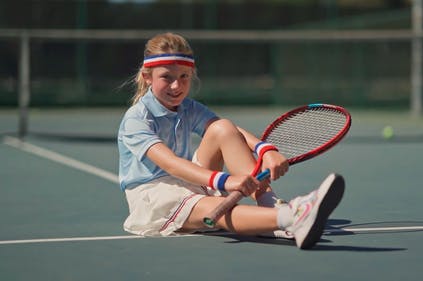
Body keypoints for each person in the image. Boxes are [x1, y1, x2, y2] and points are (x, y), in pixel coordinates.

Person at [117, 32, 345, 249]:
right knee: (217, 209)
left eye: (183, 77)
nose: (176, 86)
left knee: (223, 127)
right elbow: (171, 164)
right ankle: (293, 216)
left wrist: (265, 150)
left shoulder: (187, 107)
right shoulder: (136, 120)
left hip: (187, 180)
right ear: (147, 77)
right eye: (166, 77)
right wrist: (224, 181)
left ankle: (271, 205)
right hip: (154, 195)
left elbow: (228, 130)